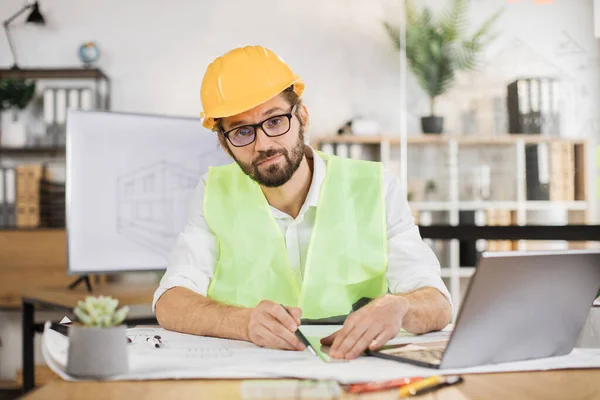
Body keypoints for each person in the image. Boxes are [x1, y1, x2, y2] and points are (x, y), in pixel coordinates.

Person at [153, 45, 452, 360]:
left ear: (302, 117)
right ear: (225, 145)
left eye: (275, 121)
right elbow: (170, 301)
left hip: (357, 371)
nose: (264, 144)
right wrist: (242, 322)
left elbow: (437, 302)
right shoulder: (213, 191)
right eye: (242, 132)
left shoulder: (376, 186)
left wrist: (400, 307)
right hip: (250, 372)